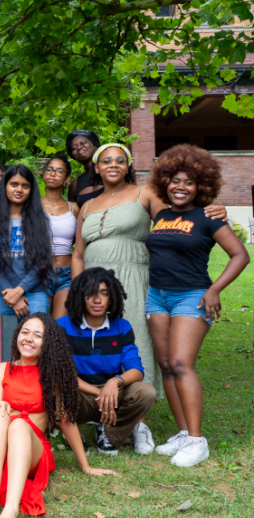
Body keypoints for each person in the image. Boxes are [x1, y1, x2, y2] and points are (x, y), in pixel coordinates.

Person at [71, 143, 227, 394]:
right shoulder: (87, 206)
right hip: (92, 282)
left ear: (128, 166)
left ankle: (138, 410)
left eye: (120, 160)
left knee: (135, 336)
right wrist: (77, 289)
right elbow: (78, 254)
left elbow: (178, 220)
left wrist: (214, 211)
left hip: (132, 277)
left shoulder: (145, 193)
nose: (113, 165)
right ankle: (98, 402)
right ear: (97, 167)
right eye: (107, 160)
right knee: (97, 336)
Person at [0, 313, 117, 518]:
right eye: (25, 332)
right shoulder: (2, 369)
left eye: (38, 335)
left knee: (19, 423)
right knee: (0, 410)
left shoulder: (51, 376)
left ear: (48, 343)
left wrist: (86, 466)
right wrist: (4, 406)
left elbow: (66, 420)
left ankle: (10, 510)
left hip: (28, 451)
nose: (29, 339)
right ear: (17, 336)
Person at [144, 145, 250, 467]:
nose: (180, 187)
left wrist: (215, 289)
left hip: (192, 295)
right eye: (175, 180)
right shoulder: (161, 215)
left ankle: (196, 440)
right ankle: (182, 433)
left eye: (188, 183)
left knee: (180, 363)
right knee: (165, 364)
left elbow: (240, 255)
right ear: (165, 182)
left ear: (200, 186)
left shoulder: (207, 216)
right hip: (157, 295)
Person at [58, 268, 157, 455]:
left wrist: (115, 381)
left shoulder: (122, 326)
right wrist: (98, 392)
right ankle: (73, 434)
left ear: (112, 297)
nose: (97, 300)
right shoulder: (63, 326)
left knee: (146, 392)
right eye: (91, 294)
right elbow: (62, 373)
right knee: (56, 388)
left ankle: (109, 434)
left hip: (113, 394)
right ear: (81, 296)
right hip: (79, 393)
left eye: (104, 293)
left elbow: (136, 370)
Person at [0, 165, 53, 320]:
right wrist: (9, 292)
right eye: (14, 184)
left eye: (25, 186)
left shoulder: (42, 221)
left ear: (31, 191)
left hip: (34, 295)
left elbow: (42, 261)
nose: (19, 190)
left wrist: (20, 290)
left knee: (34, 343)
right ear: (4, 187)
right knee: (1, 344)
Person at [40, 155, 79, 319]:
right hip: (39, 273)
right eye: (49, 169)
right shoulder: (32, 206)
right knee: (40, 325)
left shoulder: (75, 208)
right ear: (43, 175)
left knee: (60, 327)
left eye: (59, 171)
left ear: (67, 179)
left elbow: (80, 246)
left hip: (66, 274)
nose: (53, 174)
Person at [65, 129, 103, 207]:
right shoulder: (75, 185)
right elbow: (74, 215)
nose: (79, 148)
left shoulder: (110, 173)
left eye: (83, 143)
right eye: (74, 148)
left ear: (95, 146)